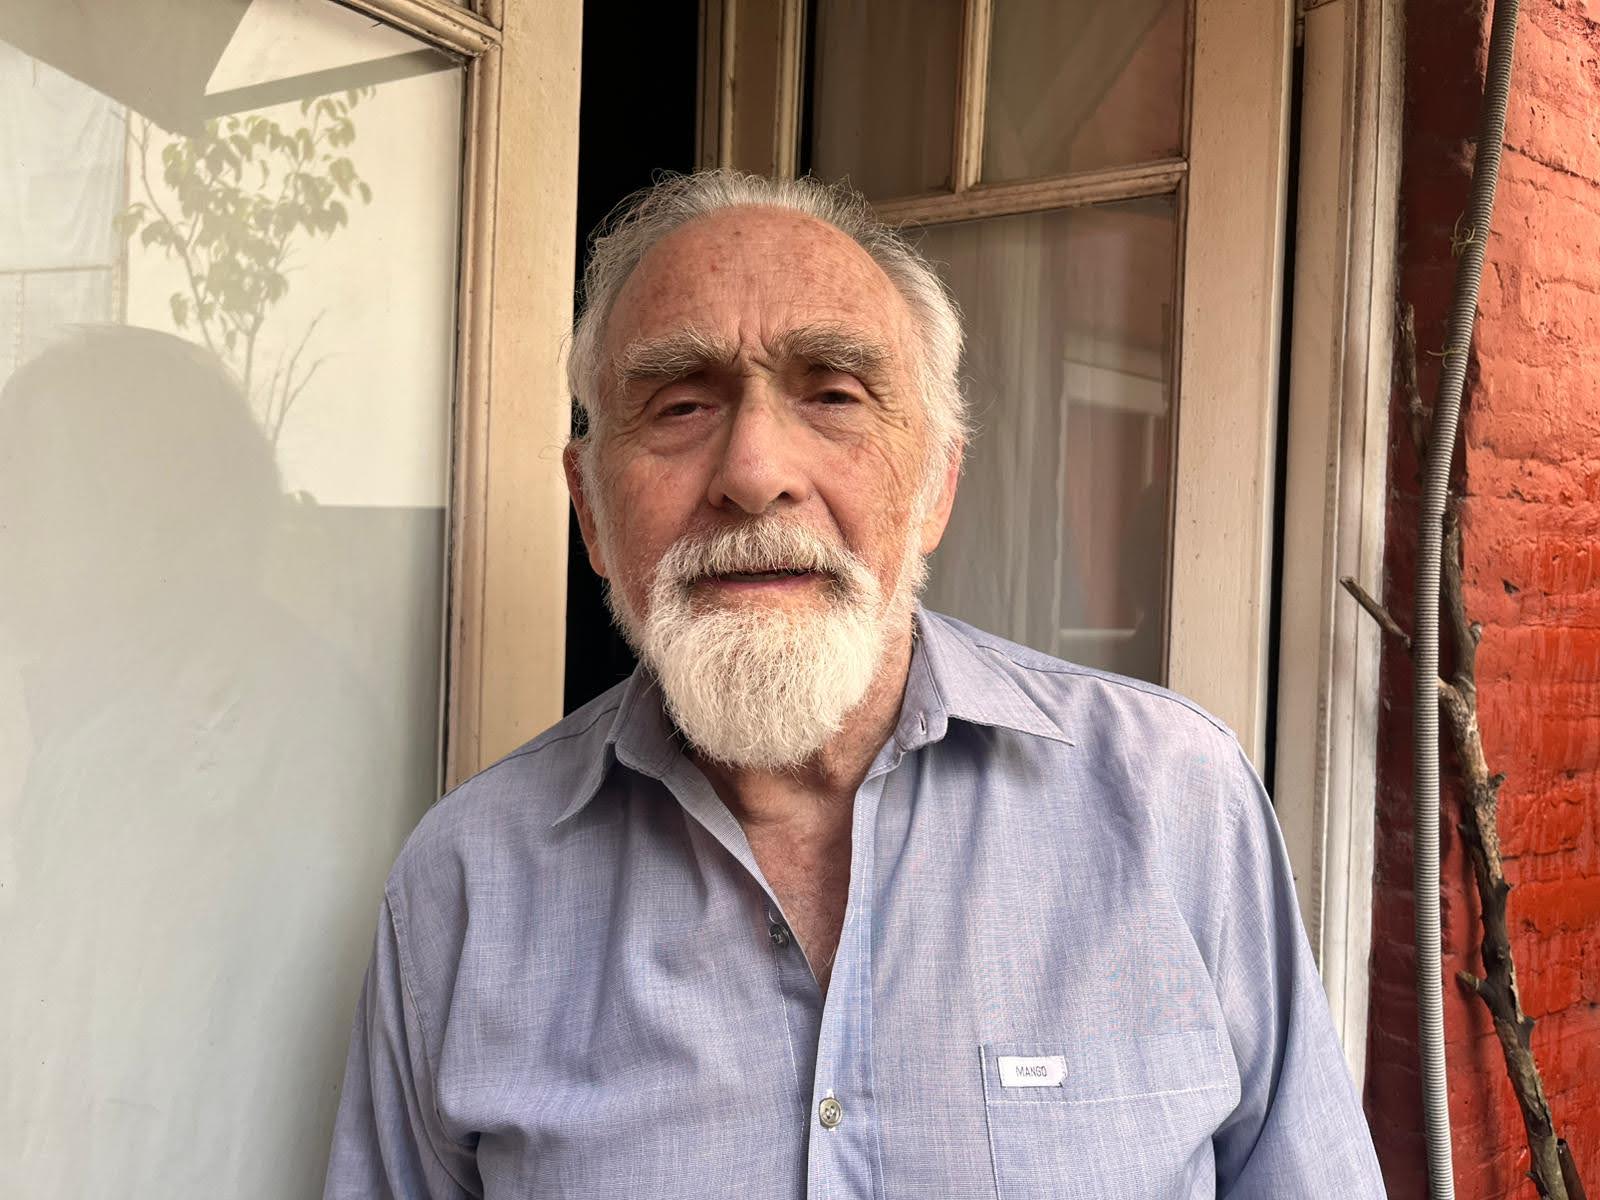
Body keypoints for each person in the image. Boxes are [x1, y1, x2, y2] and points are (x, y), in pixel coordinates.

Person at [324, 171, 1385, 1198]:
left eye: (833, 395)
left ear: (935, 487)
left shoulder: (1173, 802)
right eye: (681, 405)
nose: (754, 474)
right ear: (591, 508)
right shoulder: (464, 884)